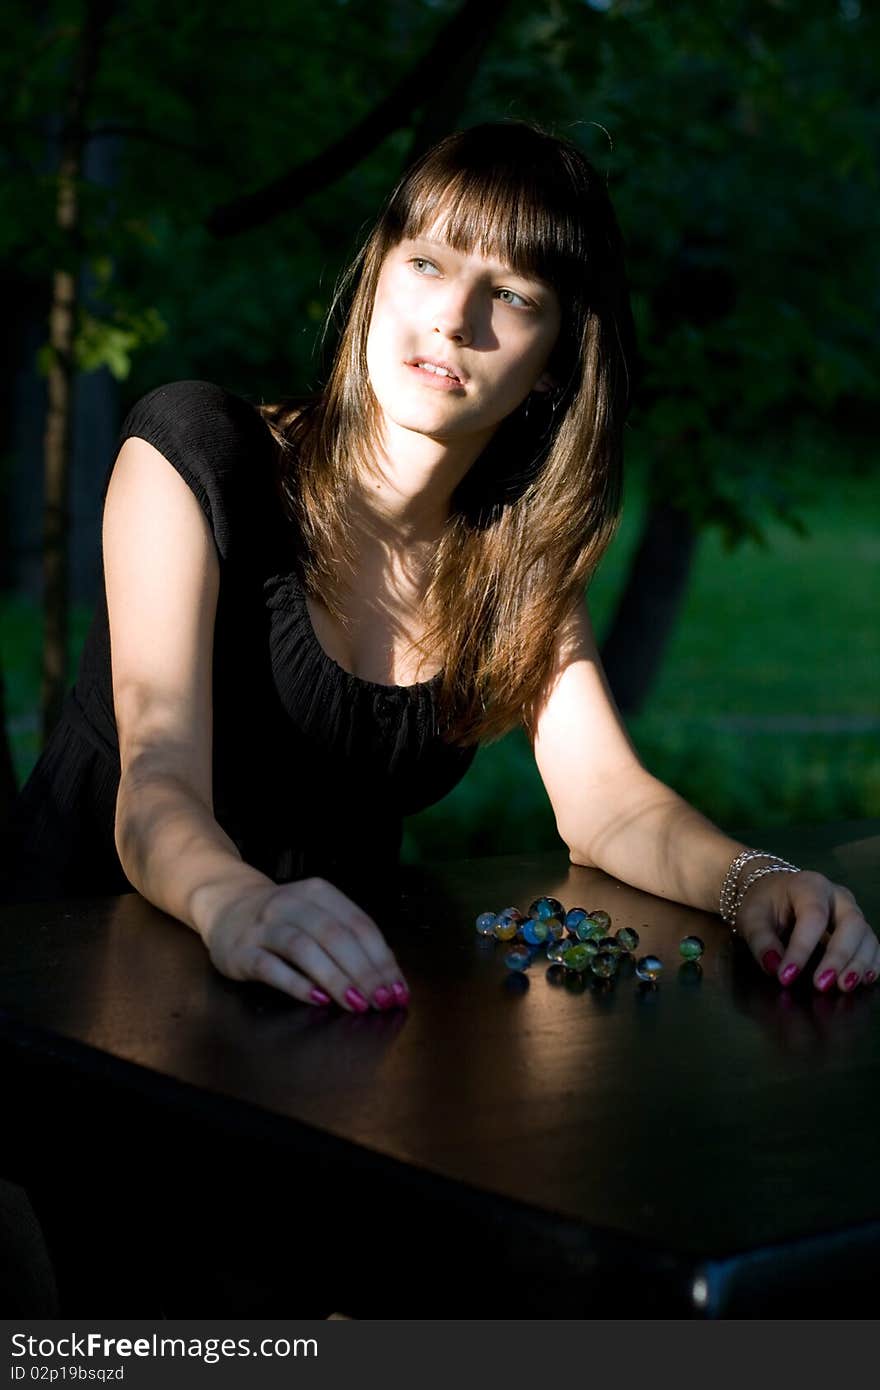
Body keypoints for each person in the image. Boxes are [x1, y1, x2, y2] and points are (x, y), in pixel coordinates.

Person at [1, 120, 876, 1008]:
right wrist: (236, 901)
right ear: (377, 276)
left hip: (321, 995)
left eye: (514, 296)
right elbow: (156, 786)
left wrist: (756, 881)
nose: (453, 318)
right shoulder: (195, 455)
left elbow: (609, 804)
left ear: (552, 366)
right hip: (72, 972)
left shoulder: (511, 552)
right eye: (427, 262)